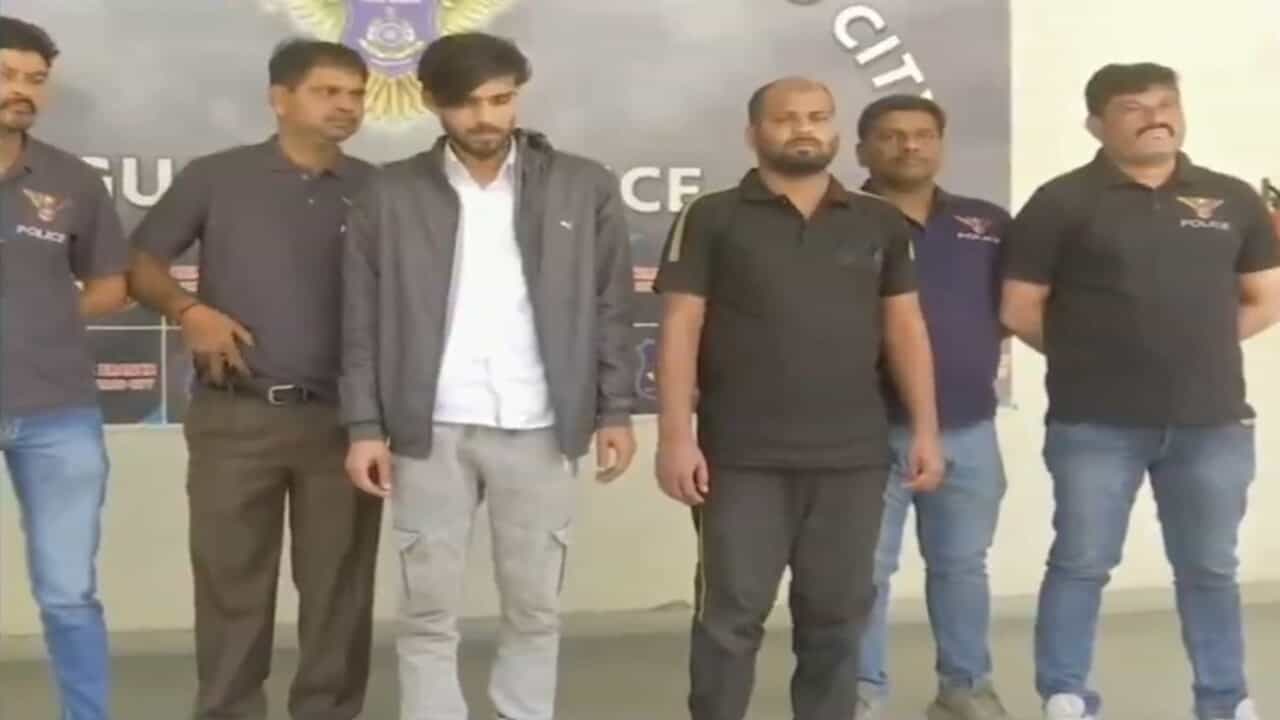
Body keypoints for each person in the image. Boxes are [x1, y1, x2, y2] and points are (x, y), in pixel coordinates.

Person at [341, 32, 638, 720]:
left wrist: (616, 410)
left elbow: (611, 304)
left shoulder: (581, 184)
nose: (486, 117)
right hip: (428, 429)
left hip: (541, 425)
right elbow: (360, 320)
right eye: (467, 103)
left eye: (500, 100)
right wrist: (364, 427)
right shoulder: (389, 192)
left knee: (535, 608)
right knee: (426, 612)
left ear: (518, 97)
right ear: (431, 102)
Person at [654, 76, 945, 720]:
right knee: (731, 616)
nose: (804, 128)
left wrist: (926, 429)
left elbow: (905, 328)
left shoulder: (878, 220)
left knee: (837, 618)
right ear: (754, 132)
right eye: (786, 118)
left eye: (817, 116)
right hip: (740, 456)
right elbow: (680, 326)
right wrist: (675, 437)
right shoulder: (712, 216)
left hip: (852, 456)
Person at [1001, 63, 1280, 720]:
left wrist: (1196, 346)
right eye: (1134, 107)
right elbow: (1019, 308)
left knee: (1209, 567)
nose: (1156, 118)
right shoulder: (1061, 202)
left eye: (1166, 104)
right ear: (1096, 124)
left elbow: (1266, 297)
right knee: (1082, 561)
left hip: (1212, 422)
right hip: (1094, 423)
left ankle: (1225, 698)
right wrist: (1093, 356)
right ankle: (1066, 694)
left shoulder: (1231, 198)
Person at [126, 40, 380, 720]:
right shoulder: (217, 177)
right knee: (231, 587)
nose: (347, 106)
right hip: (235, 417)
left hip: (344, 422)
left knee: (339, 592)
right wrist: (189, 311)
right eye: (328, 92)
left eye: (356, 94)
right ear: (280, 99)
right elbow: (141, 262)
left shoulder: (379, 189)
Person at [852, 94, 1013, 720]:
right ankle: (861, 692)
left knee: (962, 566)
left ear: (941, 144)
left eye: (922, 134)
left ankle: (964, 688)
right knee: (863, 572)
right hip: (863, 429)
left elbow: (1015, 306)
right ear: (863, 149)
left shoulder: (987, 223)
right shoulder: (841, 217)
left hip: (968, 426)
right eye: (892, 136)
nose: (909, 146)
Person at [0, 16, 129, 720]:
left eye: (35, 80)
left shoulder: (72, 180)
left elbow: (110, 285)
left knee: (68, 592)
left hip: (58, 414)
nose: (21, 90)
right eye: (6, 74)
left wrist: (46, 312)